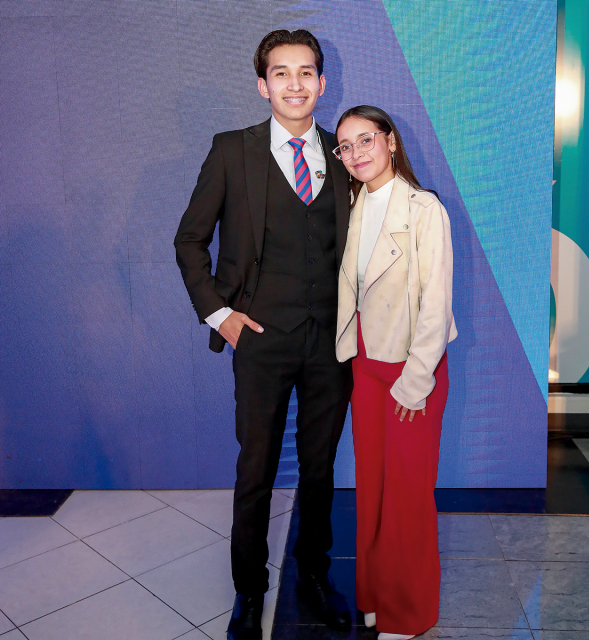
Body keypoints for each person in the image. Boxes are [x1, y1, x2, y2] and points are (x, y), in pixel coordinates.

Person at [174, 30, 353, 640]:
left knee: (320, 467)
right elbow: (189, 240)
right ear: (262, 85)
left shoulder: (345, 152)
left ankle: (313, 577)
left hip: (331, 340)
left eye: (306, 73)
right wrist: (218, 314)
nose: (294, 84)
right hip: (260, 339)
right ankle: (249, 591)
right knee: (255, 469)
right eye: (282, 73)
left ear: (322, 83)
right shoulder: (232, 150)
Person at [334, 105, 458, 640]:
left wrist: (416, 378)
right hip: (365, 368)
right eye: (345, 146)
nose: (356, 153)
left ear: (389, 141)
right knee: (372, 489)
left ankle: (407, 614)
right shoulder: (351, 206)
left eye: (366, 139)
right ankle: (375, 596)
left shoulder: (424, 208)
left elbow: (437, 302)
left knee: (407, 493)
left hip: (412, 371)